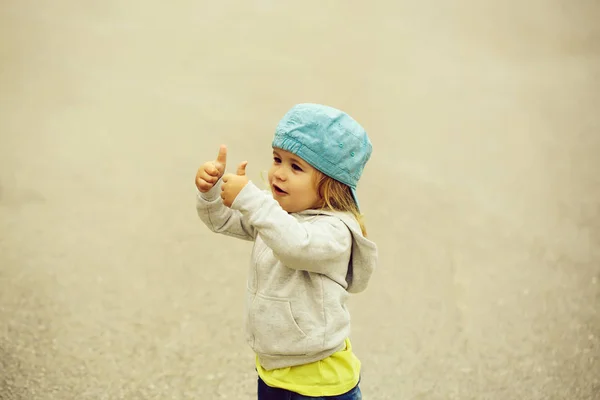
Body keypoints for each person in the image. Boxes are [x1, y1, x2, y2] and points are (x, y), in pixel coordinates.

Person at [195, 103, 378, 399]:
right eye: (277, 159)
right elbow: (223, 220)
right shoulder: (278, 213)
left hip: (317, 383)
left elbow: (296, 245)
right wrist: (211, 192)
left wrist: (252, 200)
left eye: (295, 167)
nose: (278, 173)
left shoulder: (336, 232)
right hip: (275, 371)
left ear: (331, 184)